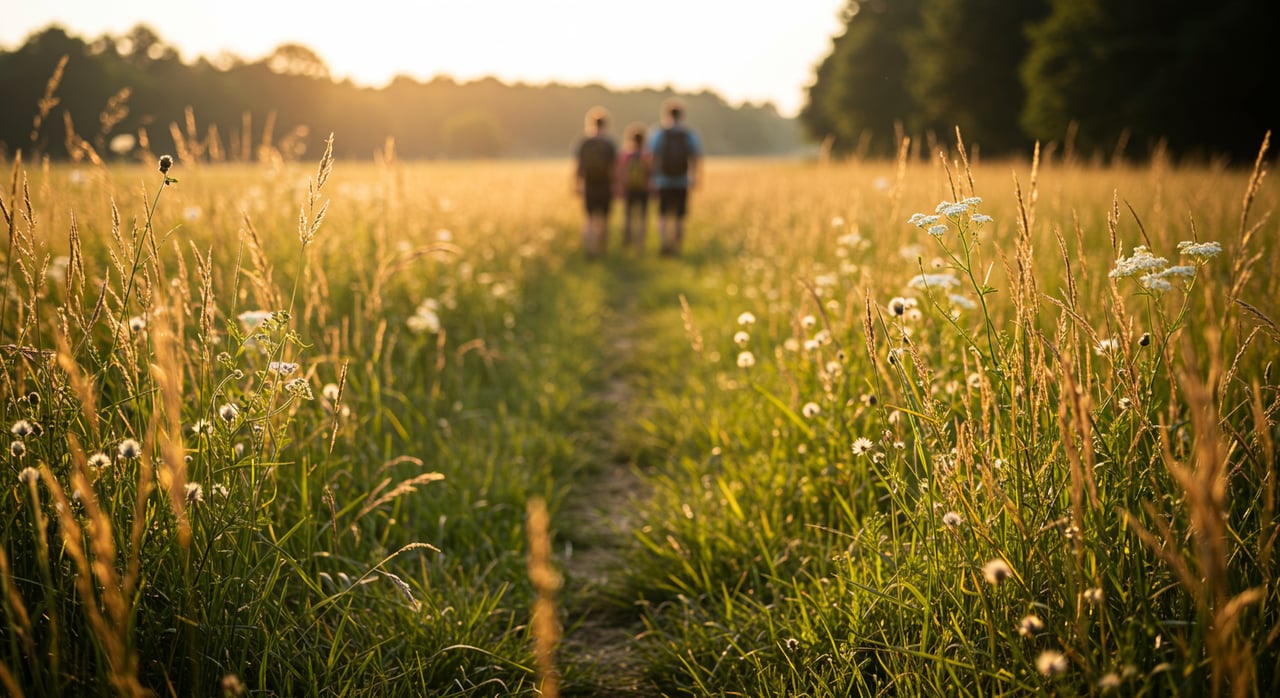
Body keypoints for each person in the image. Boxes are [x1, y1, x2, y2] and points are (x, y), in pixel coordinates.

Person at [648, 98, 703, 256]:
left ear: (666, 114)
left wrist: (652, 177)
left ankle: (665, 245)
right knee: (679, 216)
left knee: (663, 214)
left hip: (663, 180)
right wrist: (694, 176)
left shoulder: (659, 133)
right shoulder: (689, 135)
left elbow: (652, 157)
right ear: (682, 115)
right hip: (682, 180)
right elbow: (695, 158)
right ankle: (677, 247)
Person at [574, 106, 617, 259]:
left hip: (589, 185)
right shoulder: (609, 144)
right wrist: (615, 185)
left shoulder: (585, 143)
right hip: (605, 185)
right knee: (604, 219)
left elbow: (578, 166)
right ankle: (602, 250)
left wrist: (577, 185)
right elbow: (613, 168)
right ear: (605, 124)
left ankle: (589, 250)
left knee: (590, 219)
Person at [615, 122, 652, 253]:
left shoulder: (626, 155)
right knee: (642, 218)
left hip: (629, 189)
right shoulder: (647, 155)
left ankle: (626, 242)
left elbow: (619, 172)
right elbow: (651, 172)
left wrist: (619, 187)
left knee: (628, 217)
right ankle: (640, 244)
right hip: (643, 190)